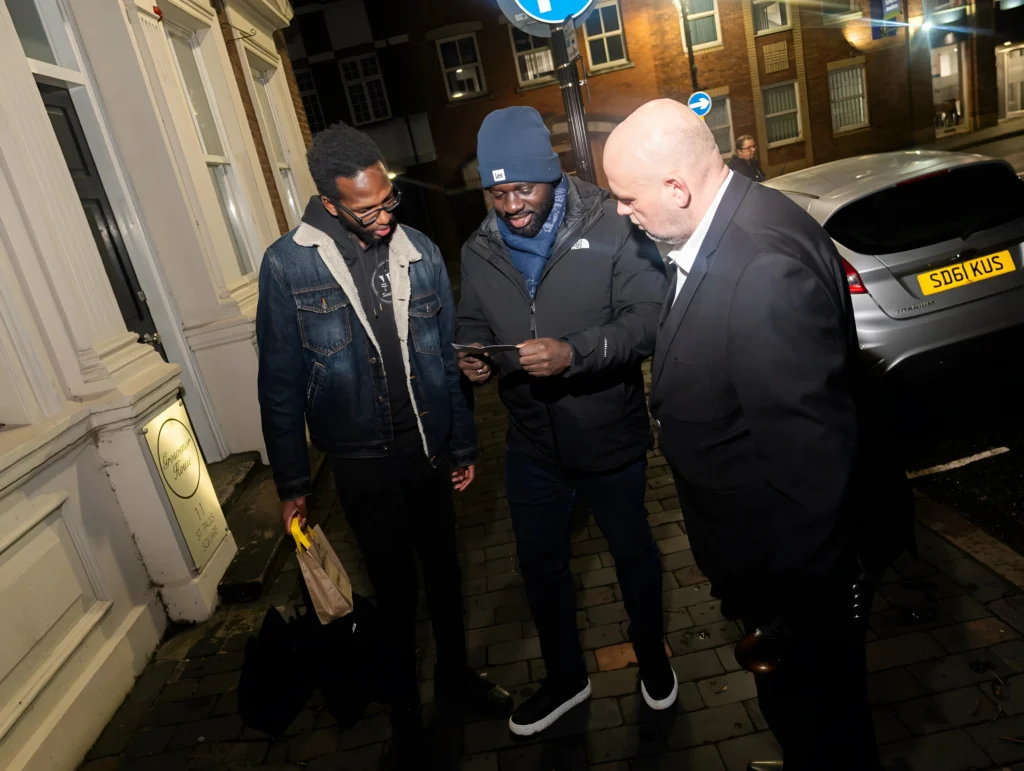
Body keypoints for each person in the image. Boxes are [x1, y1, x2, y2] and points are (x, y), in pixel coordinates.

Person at [603, 100, 912, 771]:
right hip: (776, 578)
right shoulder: (734, 222)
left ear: (676, 188)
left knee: (823, 731)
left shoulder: (761, 269)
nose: (622, 213)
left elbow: (811, 474)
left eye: (627, 199)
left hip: (795, 590)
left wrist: (789, 620)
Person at [256, 123, 512, 766]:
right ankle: (405, 720)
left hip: (426, 449)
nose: (383, 216)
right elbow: (280, 386)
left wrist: (461, 446)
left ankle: (455, 682)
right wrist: (292, 485)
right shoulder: (288, 265)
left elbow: (449, 359)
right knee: (396, 595)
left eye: (387, 199)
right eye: (366, 208)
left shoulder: (419, 250)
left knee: (447, 577)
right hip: (362, 464)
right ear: (330, 202)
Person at [456, 106, 672, 737]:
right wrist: (475, 358)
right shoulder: (480, 248)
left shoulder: (611, 222)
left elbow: (647, 320)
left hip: (608, 433)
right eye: (497, 193)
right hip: (531, 442)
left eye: (522, 188)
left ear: (550, 176)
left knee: (633, 555)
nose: (511, 204)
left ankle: (654, 658)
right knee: (539, 565)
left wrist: (574, 353)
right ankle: (565, 677)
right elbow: (473, 321)